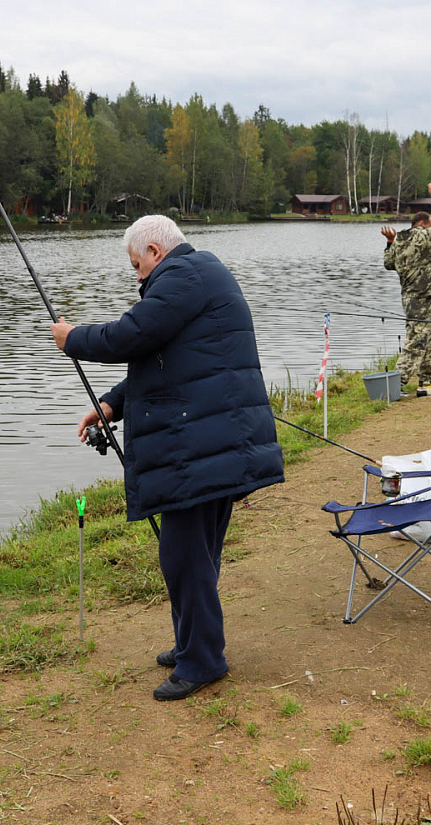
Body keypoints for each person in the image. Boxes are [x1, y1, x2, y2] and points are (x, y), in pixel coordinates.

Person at [50, 216, 284, 702]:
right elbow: (162, 354)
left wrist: (72, 338)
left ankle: (202, 661)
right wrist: (113, 404)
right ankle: (192, 645)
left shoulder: (184, 277)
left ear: (155, 251)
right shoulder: (198, 274)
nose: (137, 277)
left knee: (183, 555)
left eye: (137, 266)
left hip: (202, 444)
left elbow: (130, 336)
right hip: (212, 439)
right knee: (194, 554)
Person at [381, 183, 431, 390]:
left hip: (410, 298)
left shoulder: (399, 241)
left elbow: (388, 264)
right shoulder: (424, 236)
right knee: (416, 340)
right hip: (420, 298)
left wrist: (389, 243)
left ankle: (427, 382)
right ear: (422, 223)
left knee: (429, 339)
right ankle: (395, 385)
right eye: (430, 225)